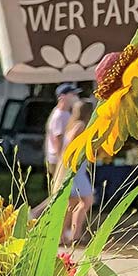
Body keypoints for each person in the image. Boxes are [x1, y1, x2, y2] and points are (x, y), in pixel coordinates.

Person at [62, 99, 95, 244]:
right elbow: (72, 147)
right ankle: (75, 234)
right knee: (87, 200)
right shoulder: (81, 126)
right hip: (77, 170)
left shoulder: (72, 125)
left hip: (74, 169)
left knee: (72, 203)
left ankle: (64, 234)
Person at [44, 83, 80, 182]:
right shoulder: (59, 115)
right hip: (57, 160)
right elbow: (57, 138)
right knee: (59, 187)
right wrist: (62, 160)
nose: (75, 97)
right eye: (72, 94)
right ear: (62, 96)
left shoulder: (66, 113)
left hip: (63, 158)